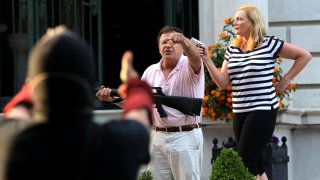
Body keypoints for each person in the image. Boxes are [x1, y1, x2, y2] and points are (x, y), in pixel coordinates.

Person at [4, 25, 154, 180]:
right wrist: (135, 85)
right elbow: (140, 113)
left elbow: (18, 106)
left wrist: (38, 76)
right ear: (88, 83)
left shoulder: (9, 142)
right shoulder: (115, 144)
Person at [198, 5, 312, 180]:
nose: (235, 22)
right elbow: (222, 83)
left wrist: (286, 79)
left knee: (244, 158)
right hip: (239, 110)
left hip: (263, 109)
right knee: (255, 162)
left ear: (252, 22)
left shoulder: (269, 43)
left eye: (240, 19)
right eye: (235, 19)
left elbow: (304, 55)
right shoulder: (232, 49)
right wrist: (206, 58)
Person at [96, 25, 205, 180]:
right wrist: (111, 99)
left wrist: (185, 41)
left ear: (182, 46)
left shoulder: (190, 65)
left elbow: (196, 57)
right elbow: (139, 104)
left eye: (174, 41)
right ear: (158, 48)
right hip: (157, 137)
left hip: (185, 137)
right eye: (164, 42)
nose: (168, 45)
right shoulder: (150, 71)